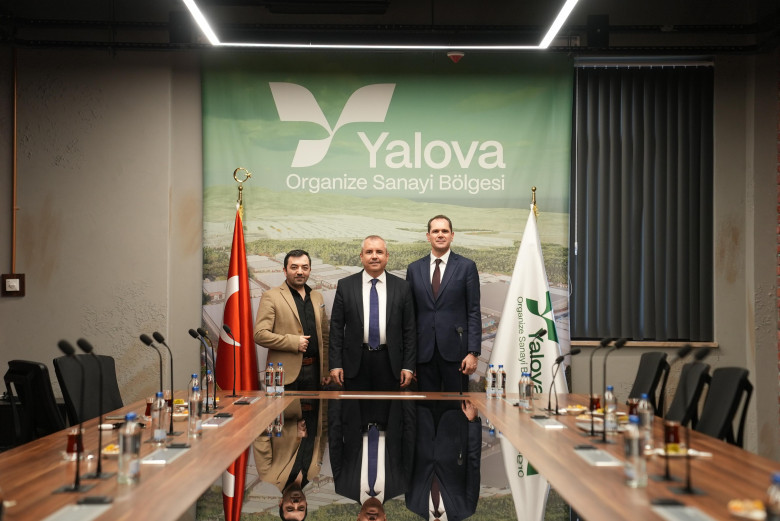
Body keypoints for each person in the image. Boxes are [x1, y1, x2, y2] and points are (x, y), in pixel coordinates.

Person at [329, 236, 416, 391]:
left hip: (391, 362)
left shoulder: (402, 287)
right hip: (355, 362)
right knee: (354, 406)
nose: (374, 256)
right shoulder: (345, 286)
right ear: (361, 256)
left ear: (387, 256)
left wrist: (408, 366)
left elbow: (409, 330)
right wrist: (335, 364)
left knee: (388, 406)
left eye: (379, 252)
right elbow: (336, 328)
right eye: (369, 252)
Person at [406, 215, 481, 392]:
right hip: (423, 354)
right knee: (425, 407)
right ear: (428, 236)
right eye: (435, 231)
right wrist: (409, 360)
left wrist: (473, 352)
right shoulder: (414, 269)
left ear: (452, 235)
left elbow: (473, 311)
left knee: (455, 406)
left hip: (457, 354)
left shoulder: (467, 267)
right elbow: (409, 316)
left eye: (445, 231)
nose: (440, 235)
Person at [254, 249, 329, 390]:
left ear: (310, 270)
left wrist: (325, 369)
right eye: (294, 267)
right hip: (284, 374)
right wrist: (293, 342)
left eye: (304, 267)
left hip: (315, 372)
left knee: (314, 406)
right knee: (286, 406)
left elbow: (324, 337)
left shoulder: (317, 297)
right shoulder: (271, 296)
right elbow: (260, 335)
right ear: (285, 270)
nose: (300, 272)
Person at [405, 399, 481, 521]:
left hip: (422, 416)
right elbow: (473, 462)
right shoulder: (466, 509)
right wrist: (473, 421)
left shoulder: (412, 503)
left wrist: (409, 408)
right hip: (456, 417)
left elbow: (408, 454)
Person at [253, 399, 325, 521]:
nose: (296, 503)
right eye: (301, 508)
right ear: (306, 504)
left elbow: (260, 432)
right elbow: (322, 431)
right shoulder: (315, 471)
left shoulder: (267, 475)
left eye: (290, 508)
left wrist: (292, 430)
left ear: (280, 503)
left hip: (287, 397)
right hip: (317, 396)